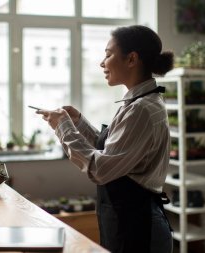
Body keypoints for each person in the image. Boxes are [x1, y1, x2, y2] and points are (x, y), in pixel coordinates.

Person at [36, 25, 174, 253]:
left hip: (139, 231)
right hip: (128, 223)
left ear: (131, 59)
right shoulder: (138, 103)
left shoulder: (141, 110)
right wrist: (78, 122)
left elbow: (101, 169)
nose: (102, 63)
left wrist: (63, 128)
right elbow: (114, 151)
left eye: (108, 54)